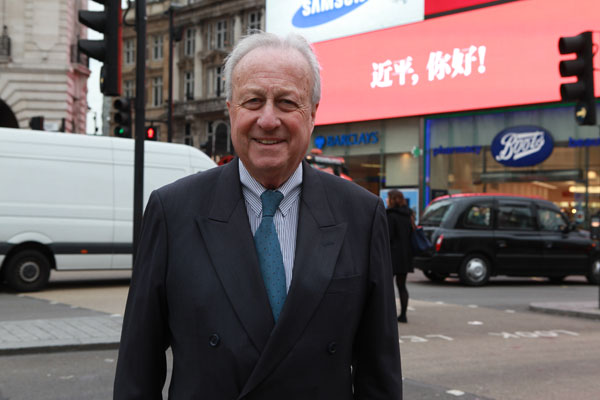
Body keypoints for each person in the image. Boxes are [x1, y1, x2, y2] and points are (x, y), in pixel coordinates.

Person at [113, 31, 402, 399]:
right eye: (253, 101)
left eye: (286, 102)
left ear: (312, 114)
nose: (268, 120)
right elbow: (138, 369)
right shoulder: (173, 212)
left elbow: (379, 374)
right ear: (231, 110)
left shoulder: (362, 214)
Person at [386, 190, 414, 323]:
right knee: (402, 286)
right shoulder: (408, 214)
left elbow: (388, 237)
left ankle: (388, 315)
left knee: (387, 286)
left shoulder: (390, 215)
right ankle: (403, 314)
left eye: (388, 198)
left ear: (392, 199)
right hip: (405, 254)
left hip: (392, 254)